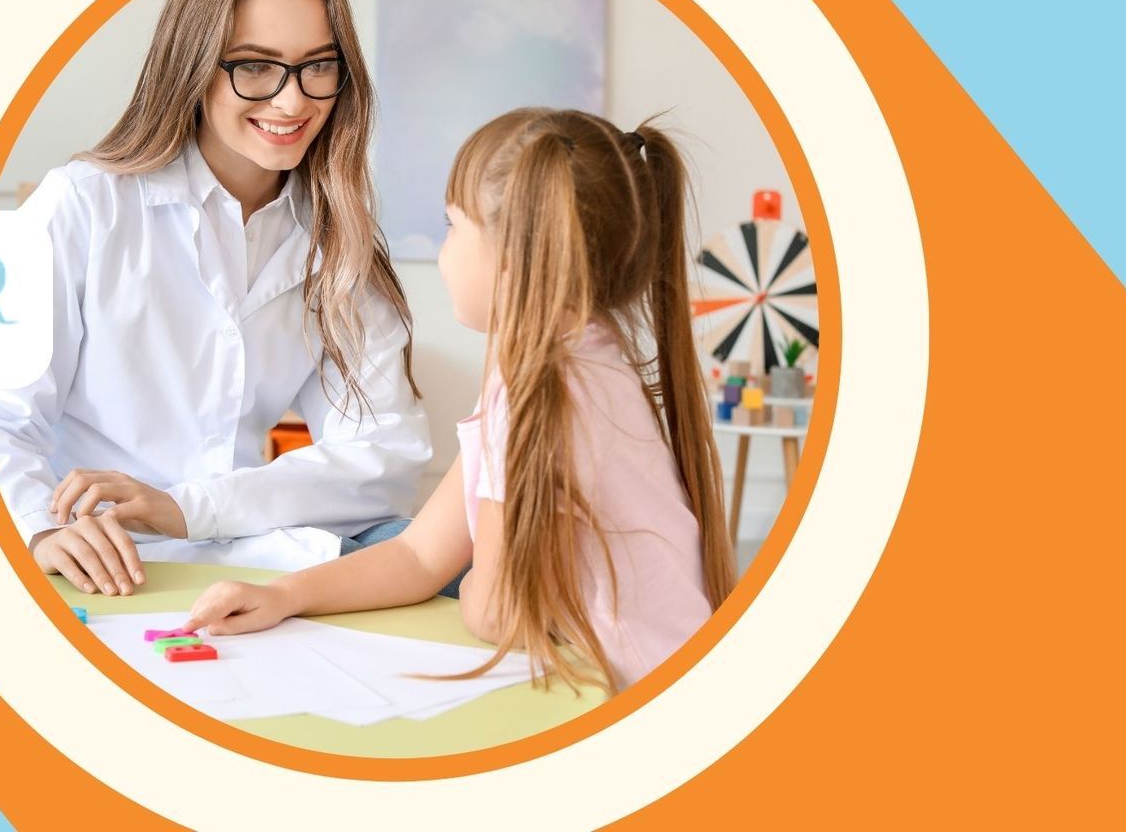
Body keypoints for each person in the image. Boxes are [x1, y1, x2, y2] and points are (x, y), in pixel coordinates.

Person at [185, 109, 736, 691]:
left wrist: (476, 587)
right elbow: (421, 555)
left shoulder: (541, 394)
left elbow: (496, 612)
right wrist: (283, 595)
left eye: (452, 226)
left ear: (516, 257)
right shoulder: (588, 364)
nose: (444, 253)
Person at [0, 0, 432, 593]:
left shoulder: (339, 237)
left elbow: (387, 454)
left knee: (454, 556)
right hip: (97, 554)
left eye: (319, 65)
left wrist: (191, 509)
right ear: (192, 67)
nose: (293, 100)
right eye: (254, 65)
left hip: (247, 555)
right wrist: (39, 528)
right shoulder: (85, 204)